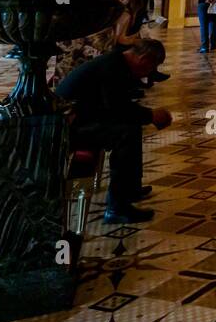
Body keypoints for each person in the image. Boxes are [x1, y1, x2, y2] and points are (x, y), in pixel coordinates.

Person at [56, 38, 173, 224]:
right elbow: (116, 109)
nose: (149, 74)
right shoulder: (113, 67)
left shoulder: (118, 62)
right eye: (151, 68)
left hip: (81, 117)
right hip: (68, 127)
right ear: (143, 60)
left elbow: (114, 106)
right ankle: (117, 207)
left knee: (131, 127)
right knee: (125, 135)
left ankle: (130, 189)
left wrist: (145, 116)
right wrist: (151, 115)